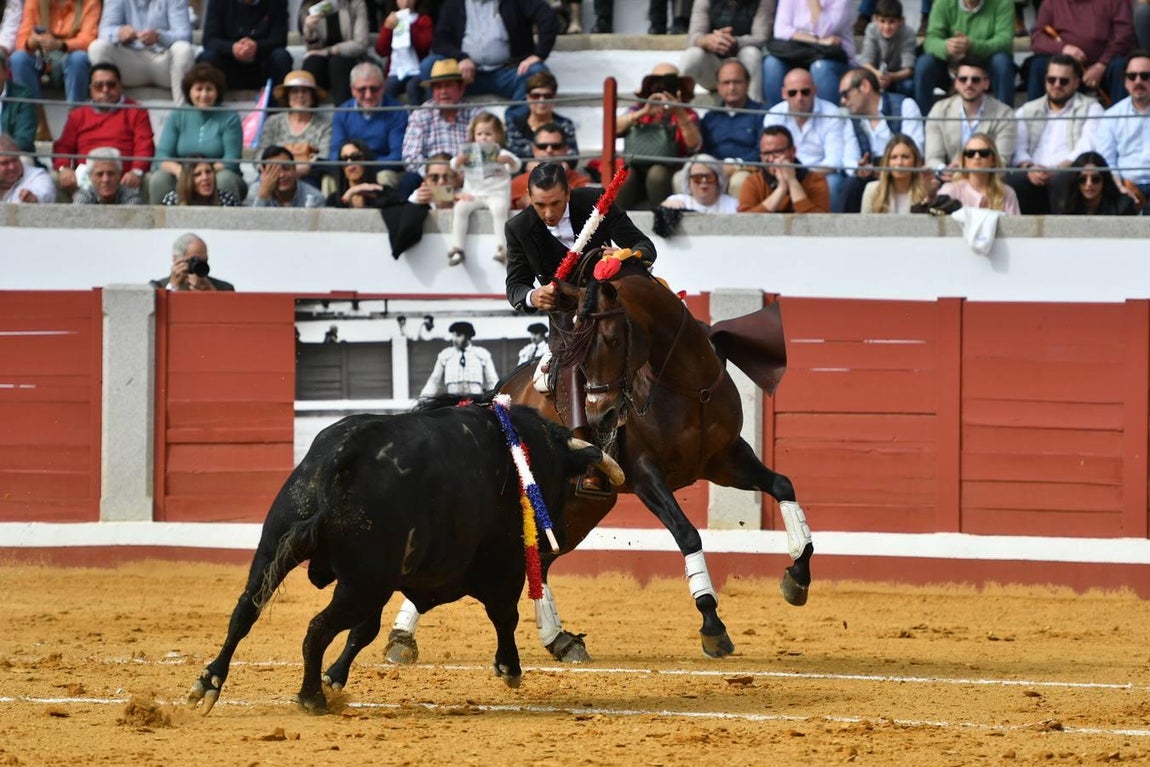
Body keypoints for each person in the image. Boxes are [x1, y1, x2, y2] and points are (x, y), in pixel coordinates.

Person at [504, 161, 656, 492]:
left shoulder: (596, 202)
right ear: (528, 197)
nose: (547, 213)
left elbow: (646, 248)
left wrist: (624, 255)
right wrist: (534, 295)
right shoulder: (518, 227)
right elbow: (515, 286)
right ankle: (590, 456)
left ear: (569, 194)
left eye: (555, 204)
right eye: (539, 204)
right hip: (567, 313)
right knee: (570, 362)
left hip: (614, 305)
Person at [1006, 54, 1103, 215]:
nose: (1057, 85)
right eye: (1052, 80)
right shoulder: (1027, 109)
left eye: (1064, 81)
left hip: (1069, 173)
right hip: (1032, 174)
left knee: (1062, 179)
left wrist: (1057, 169)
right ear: (1045, 81)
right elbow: (1018, 147)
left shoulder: (1092, 108)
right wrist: (1030, 168)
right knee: (1015, 179)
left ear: (1076, 83)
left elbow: (1087, 147)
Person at [51, 63, 154, 202]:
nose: (105, 90)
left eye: (111, 85)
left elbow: (145, 144)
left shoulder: (136, 111)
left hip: (123, 181)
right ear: (91, 89)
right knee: (54, 180)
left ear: (120, 86)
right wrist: (64, 169)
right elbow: (62, 147)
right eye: (99, 86)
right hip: (85, 181)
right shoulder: (78, 115)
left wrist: (136, 172)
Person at [419, 0, 558, 103]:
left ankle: (516, 123)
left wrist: (539, 54)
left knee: (538, 73)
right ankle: (445, 120)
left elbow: (547, 16)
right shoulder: (452, 4)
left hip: (509, 72)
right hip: (467, 76)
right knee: (428, 66)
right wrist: (461, 58)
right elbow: (440, 41)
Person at [150, 63, 244, 203]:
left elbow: (232, 159)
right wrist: (182, 172)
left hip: (217, 175)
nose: (204, 95)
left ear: (217, 91)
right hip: (182, 175)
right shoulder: (178, 115)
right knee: (159, 178)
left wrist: (204, 174)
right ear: (189, 92)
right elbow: (162, 156)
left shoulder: (229, 117)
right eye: (199, 89)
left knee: (225, 178)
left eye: (209, 89)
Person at [837, 66, 924, 213]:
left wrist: (885, 166)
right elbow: (849, 160)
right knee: (850, 186)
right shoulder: (851, 119)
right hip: (870, 175)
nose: (843, 101)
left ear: (864, 86)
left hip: (902, 171)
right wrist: (860, 169)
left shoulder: (905, 105)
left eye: (846, 94)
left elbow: (916, 150)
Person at [615, 62, 702, 210]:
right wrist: (644, 112)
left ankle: (661, 221)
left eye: (669, 85)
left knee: (657, 174)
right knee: (624, 176)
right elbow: (613, 129)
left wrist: (678, 112)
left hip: (669, 168)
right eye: (657, 84)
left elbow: (693, 145)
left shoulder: (688, 114)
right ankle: (611, 225)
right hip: (636, 166)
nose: (663, 90)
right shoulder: (638, 108)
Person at [913, 0, 1015, 115]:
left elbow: (1005, 41)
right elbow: (930, 40)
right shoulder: (942, 3)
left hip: (985, 69)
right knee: (924, 64)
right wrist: (946, 47)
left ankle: (1006, 120)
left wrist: (972, 46)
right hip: (949, 68)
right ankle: (922, 122)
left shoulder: (1003, 3)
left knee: (1002, 62)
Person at [762, 68, 844, 209]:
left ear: (815, 91)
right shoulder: (773, 115)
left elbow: (833, 161)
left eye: (805, 92)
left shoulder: (832, 114)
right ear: (783, 94)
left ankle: (831, 229)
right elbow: (771, 157)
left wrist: (801, 177)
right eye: (792, 93)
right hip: (783, 173)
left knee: (834, 183)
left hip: (819, 175)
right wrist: (790, 176)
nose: (799, 98)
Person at [923, 56, 1017, 181]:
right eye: (963, 79)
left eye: (975, 80)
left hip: (988, 182)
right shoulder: (939, 110)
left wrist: (968, 172)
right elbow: (932, 158)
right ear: (956, 83)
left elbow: (1002, 160)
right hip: (948, 180)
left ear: (986, 83)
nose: (969, 84)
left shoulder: (1004, 114)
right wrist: (943, 169)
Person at [446, 112, 522, 266]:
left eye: (488, 134)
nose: (483, 137)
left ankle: (502, 248)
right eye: (479, 134)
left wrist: (508, 160)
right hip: (473, 195)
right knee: (460, 208)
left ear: (498, 135)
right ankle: (457, 247)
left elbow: (516, 166)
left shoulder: (501, 153)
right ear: (473, 135)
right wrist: (459, 160)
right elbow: (453, 165)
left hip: (496, 194)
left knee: (500, 210)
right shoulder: (469, 153)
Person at [87, 0, 196, 105]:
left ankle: (182, 111)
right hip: (129, 61)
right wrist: (118, 33)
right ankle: (107, 109)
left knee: (184, 49)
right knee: (97, 47)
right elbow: (104, 32)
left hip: (163, 61)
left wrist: (159, 36)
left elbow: (185, 35)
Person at [1025, 0, 1134, 103]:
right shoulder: (1051, 2)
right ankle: (1034, 118)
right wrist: (1063, 49)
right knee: (1038, 65)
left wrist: (1101, 65)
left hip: (1104, 66)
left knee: (1121, 65)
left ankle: (1121, 120)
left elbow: (1123, 36)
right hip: (1062, 67)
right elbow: (1037, 38)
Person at [329, 61, 413, 194]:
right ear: (352, 90)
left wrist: (364, 166)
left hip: (381, 170)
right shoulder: (342, 112)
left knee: (386, 177)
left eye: (374, 89)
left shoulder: (397, 111)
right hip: (350, 166)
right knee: (328, 179)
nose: (368, 95)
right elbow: (335, 153)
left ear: (383, 87)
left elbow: (398, 156)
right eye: (362, 89)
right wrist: (355, 166)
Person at [8, 0, 99, 119]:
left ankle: (75, 120)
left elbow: (88, 39)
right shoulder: (34, 2)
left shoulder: (90, 2)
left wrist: (59, 44)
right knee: (18, 59)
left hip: (70, 57)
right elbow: (21, 40)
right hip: (44, 57)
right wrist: (33, 41)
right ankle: (36, 122)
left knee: (78, 58)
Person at [760, 0, 856, 110]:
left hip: (833, 58)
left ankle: (827, 120)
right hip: (797, 53)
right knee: (772, 64)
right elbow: (780, 31)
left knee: (820, 68)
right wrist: (818, 41)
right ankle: (777, 120)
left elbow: (823, 29)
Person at [678, 0, 773, 103]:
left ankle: (753, 111)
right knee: (691, 55)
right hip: (712, 65)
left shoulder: (764, 2)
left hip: (742, 62)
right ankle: (680, 106)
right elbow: (694, 36)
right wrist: (707, 40)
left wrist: (733, 41)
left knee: (752, 53)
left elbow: (761, 37)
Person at [401, 58, 482, 178]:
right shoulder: (421, 114)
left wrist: (461, 175)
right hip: (430, 177)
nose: (443, 92)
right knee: (409, 180)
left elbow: (486, 150)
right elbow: (410, 157)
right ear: (432, 92)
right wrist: (434, 176)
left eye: (448, 85)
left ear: (461, 89)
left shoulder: (477, 115)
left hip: (468, 177)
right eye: (438, 87)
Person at [699, 58, 765, 201]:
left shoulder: (761, 114)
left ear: (747, 84)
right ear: (718, 86)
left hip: (747, 170)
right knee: (681, 179)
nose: (732, 88)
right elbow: (703, 151)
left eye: (737, 82)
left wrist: (736, 166)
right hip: (713, 171)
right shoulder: (710, 117)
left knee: (739, 181)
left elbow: (762, 151)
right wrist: (715, 169)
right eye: (726, 83)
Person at [1094, 50, 1150, 214]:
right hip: (1127, 186)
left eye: (1145, 76)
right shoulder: (1111, 116)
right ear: (1125, 82)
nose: (1138, 81)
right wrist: (1120, 187)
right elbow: (1107, 161)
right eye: (1132, 76)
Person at [196, 0, 292, 94]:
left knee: (281, 57)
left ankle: (275, 106)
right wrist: (232, 48)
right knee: (208, 57)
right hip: (229, 63)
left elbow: (280, 40)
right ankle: (209, 104)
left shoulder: (278, 2)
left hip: (261, 63)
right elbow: (210, 39)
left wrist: (256, 46)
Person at [260, 69, 331, 190]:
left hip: (308, 177)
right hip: (273, 175)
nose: (300, 95)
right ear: (287, 97)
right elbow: (260, 154)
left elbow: (324, 156)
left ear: (313, 98)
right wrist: (274, 171)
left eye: (305, 91)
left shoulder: (325, 125)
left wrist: (292, 172)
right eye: (294, 91)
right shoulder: (273, 122)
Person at [738, 124, 831, 212]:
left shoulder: (815, 180)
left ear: (793, 152)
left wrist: (792, 181)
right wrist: (781, 189)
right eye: (766, 153)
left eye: (777, 152)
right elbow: (745, 222)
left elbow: (817, 223)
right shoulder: (753, 181)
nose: (771, 159)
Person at [297, 0, 370, 107]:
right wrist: (309, 29)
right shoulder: (309, 6)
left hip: (349, 57)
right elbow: (312, 49)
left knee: (337, 62)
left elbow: (360, 43)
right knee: (312, 62)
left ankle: (343, 114)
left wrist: (327, 51)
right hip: (322, 61)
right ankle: (308, 114)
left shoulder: (356, 3)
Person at [510, 123, 592, 210]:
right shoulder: (516, 184)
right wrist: (523, 201)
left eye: (556, 146)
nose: (549, 150)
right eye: (543, 146)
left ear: (566, 149)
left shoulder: (581, 182)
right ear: (534, 150)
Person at [936, 132, 1020, 213]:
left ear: (993, 160)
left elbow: (1015, 226)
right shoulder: (951, 190)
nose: (977, 157)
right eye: (970, 153)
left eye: (983, 153)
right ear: (964, 160)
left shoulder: (1007, 193)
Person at [503, 70, 578, 161]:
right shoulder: (515, 124)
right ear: (528, 98)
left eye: (547, 96)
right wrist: (527, 165)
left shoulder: (565, 124)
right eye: (535, 96)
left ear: (554, 98)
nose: (542, 101)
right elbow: (512, 156)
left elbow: (573, 156)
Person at [419, 320, 500, 397]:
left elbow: (493, 381)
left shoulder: (481, 354)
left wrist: (497, 400)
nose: (454, 339)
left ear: (468, 336)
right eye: (453, 335)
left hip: (475, 403)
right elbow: (434, 381)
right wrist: (423, 399)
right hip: (453, 404)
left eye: (458, 335)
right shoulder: (445, 355)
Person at [374, 0, 433, 104]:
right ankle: (391, 119)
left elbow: (424, 46)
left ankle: (417, 118)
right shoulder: (391, 19)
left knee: (412, 87)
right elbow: (381, 50)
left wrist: (408, 27)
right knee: (387, 88)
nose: (405, 1)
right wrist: (388, 29)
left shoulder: (423, 20)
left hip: (417, 70)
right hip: (396, 71)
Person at [860, 132, 934, 212]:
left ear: (915, 161)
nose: (899, 163)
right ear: (887, 162)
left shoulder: (925, 191)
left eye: (905, 157)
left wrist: (930, 196)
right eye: (894, 157)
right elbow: (865, 223)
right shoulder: (872, 190)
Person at [858, 0, 916, 98]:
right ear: (875, 19)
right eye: (882, 21)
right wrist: (878, 75)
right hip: (875, 75)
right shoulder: (871, 29)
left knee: (909, 85)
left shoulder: (908, 33)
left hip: (898, 78)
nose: (887, 27)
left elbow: (908, 69)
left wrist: (891, 77)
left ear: (901, 21)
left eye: (892, 22)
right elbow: (866, 62)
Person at [1051, 150, 1139, 215]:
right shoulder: (1065, 204)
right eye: (1083, 179)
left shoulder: (1123, 206)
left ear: (1104, 180)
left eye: (1095, 179)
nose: (1089, 184)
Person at [151, 232, 235, 291]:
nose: (200, 266)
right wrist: (172, 287)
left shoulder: (224, 288)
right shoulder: (157, 287)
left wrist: (210, 291)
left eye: (204, 261)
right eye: (194, 261)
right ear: (176, 259)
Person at [660, 153, 739, 212]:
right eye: (697, 178)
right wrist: (665, 208)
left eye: (709, 177)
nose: (703, 181)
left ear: (718, 180)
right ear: (688, 181)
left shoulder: (733, 205)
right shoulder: (675, 200)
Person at [252, 144, 326, 207]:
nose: (282, 175)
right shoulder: (254, 191)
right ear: (264, 173)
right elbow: (249, 222)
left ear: (294, 169)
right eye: (274, 171)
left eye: (286, 168)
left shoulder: (314, 197)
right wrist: (263, 195)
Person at [159, 154, 241, 205]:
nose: (205, 177)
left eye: (208, 172)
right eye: (197, 174)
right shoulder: (172, 200)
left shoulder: (228, 200)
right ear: (187, 179)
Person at [72, 146, 143, 204]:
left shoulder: (131, 199)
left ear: (119, 175)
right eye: (100, 174)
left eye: (111, 173)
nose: (105, 179)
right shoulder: (84, 196)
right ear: (91, 177)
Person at [0, 47, 37, 153]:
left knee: (24, 161)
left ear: (6, 72)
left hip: (15, 156)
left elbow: (24, 138)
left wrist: (3, 154)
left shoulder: (22, 95)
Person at [0, 131, 54, 201]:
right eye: (5, 163)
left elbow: (45, 193)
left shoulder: (37, 176)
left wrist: (34, 198)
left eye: (15, 160)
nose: (12, 167)